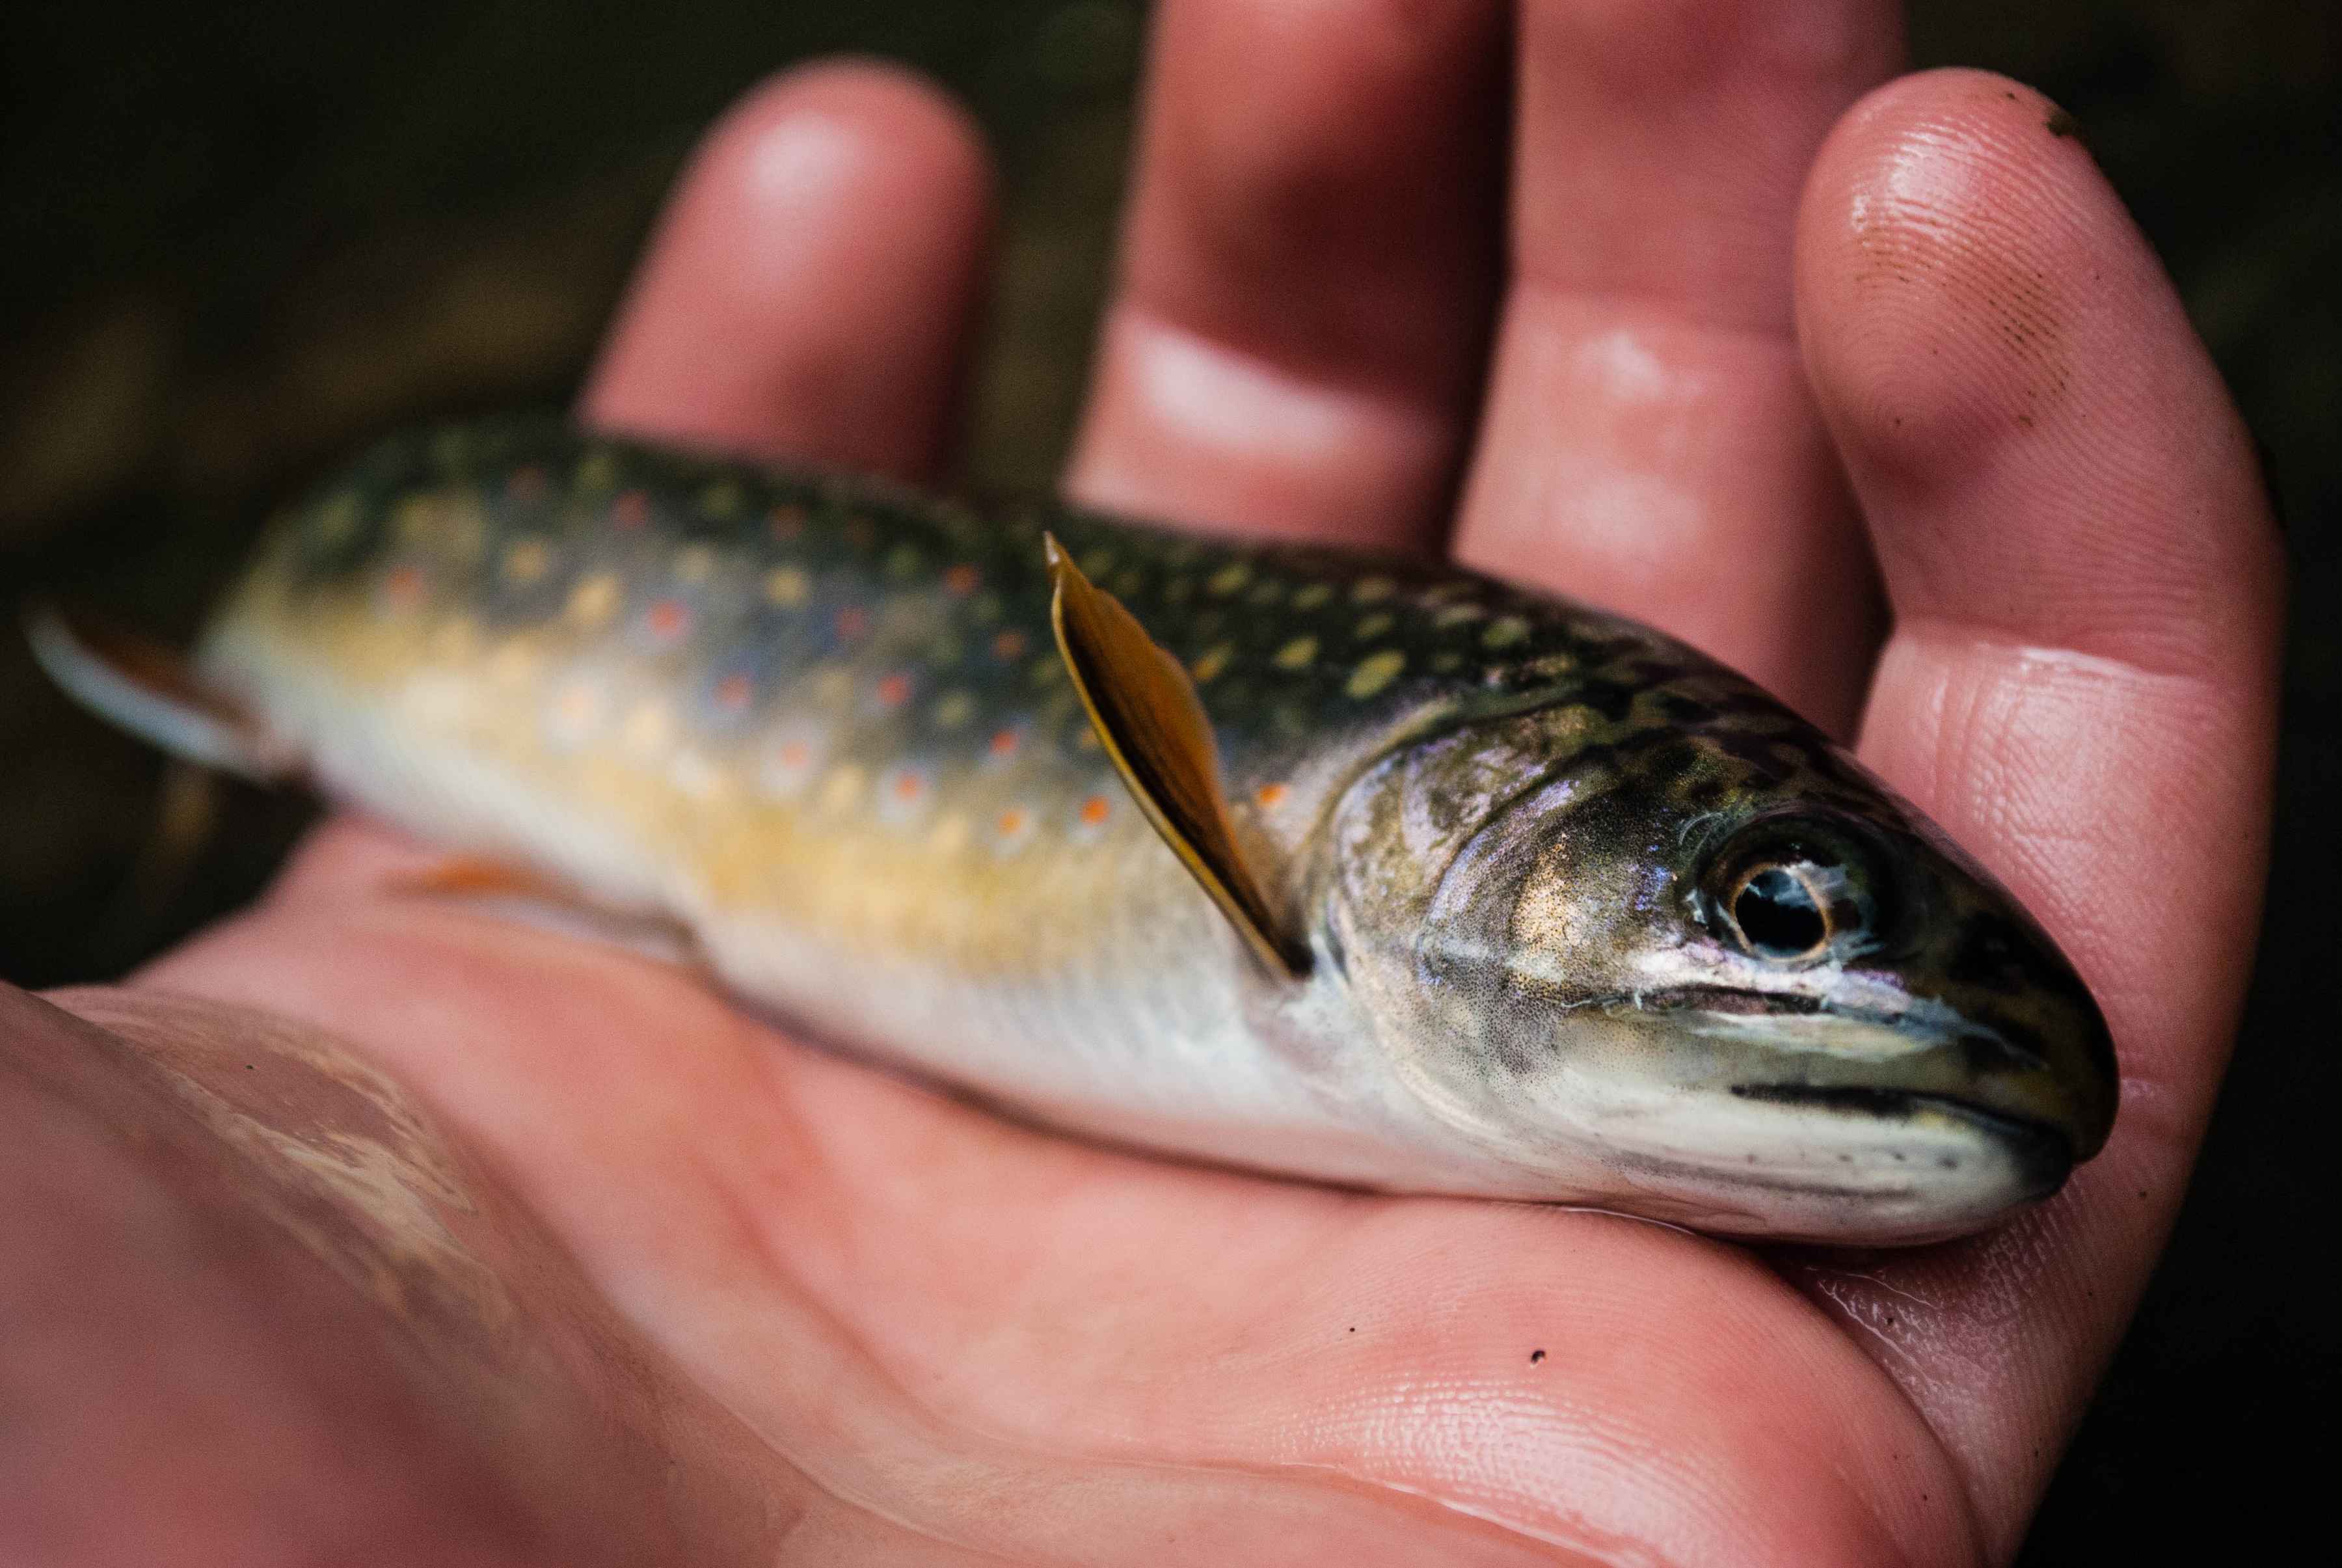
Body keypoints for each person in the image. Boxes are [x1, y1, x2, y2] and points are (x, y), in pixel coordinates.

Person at [0, 3, 2281, 1561]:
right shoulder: (1293, 891)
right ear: (1448, 804)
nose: (1808, 958)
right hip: (382, 579)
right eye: (1778, 904)